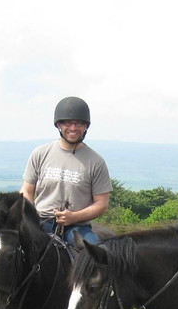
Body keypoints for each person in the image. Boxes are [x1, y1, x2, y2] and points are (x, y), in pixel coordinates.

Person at [20, 96, 112, 245]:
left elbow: (101, 204)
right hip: (42, 222)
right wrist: (31, 219)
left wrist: (74, 217)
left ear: (85, 126)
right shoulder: (40, 153)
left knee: (97, 255)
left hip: (77, 227)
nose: (73, 128)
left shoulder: (96, 162)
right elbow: (27, 190)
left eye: (79, 123)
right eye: (68, 123)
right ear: (59, 125)